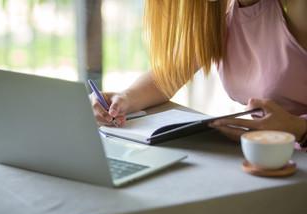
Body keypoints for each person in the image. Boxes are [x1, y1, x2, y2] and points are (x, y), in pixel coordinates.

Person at [90, 0, 307, 149]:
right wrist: (124, 99)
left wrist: (298, 128)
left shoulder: (298, 10)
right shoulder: (222, 13)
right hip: (274, 157)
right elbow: (165, 79)